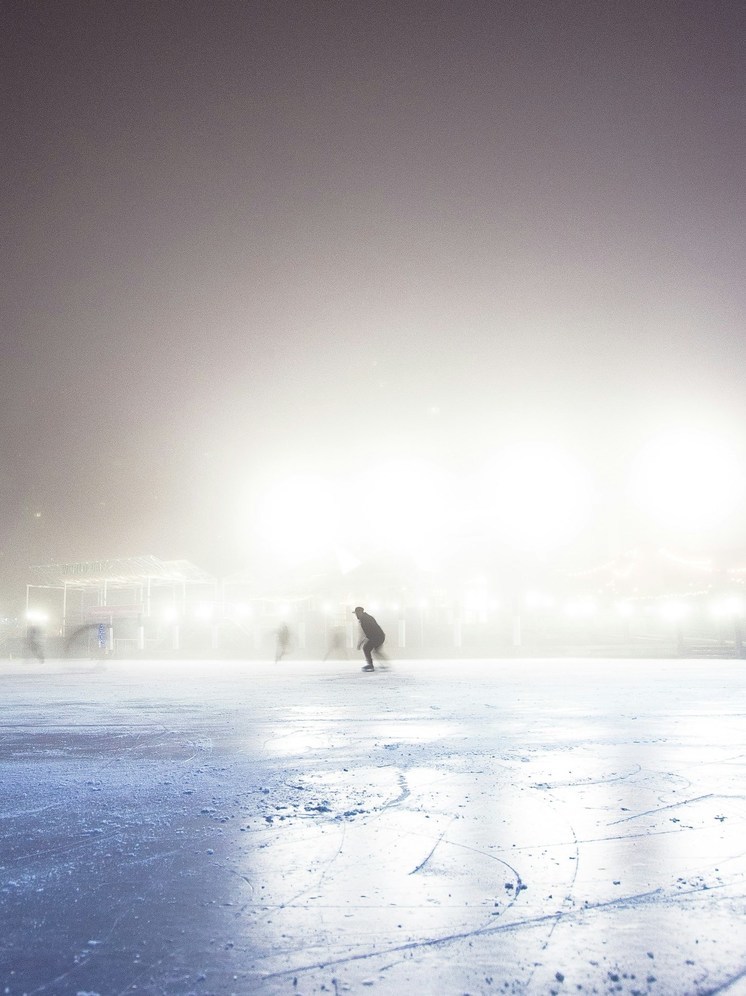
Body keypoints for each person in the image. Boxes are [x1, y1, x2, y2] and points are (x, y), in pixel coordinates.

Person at [353, 606, 385, 671]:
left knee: (366, 648)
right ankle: (385, 664)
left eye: (356, 613)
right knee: (375, 651)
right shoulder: (365, 618)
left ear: (360, 612)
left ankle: (371, 665)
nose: (356, 615)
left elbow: (368, 632)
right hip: (379, 636)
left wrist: (361, 643)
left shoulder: (365, 619)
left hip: (377, 636)